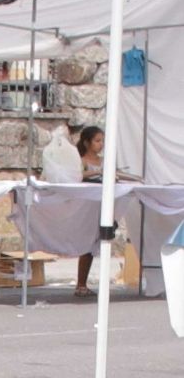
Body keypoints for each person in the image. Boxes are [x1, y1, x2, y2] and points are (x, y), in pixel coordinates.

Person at [73, 123, 109, 296]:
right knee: (86, 243)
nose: (101, 144)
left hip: (100, 206)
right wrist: (100, 173)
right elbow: (76, 175)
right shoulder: (81, 161)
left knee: (95, 242)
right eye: (97, 141)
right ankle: (80, 283)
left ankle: (84, 283)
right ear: (87, 143)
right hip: (85, 206)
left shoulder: (104, 161)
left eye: (102, 141)